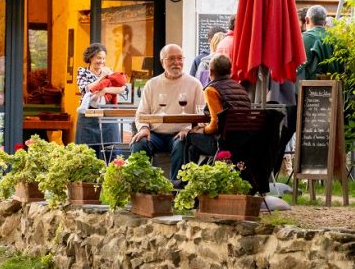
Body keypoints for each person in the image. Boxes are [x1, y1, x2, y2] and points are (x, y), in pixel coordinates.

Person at [130, 44, 204, 180]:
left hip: (180, 133)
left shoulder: (194, 84)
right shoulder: (152, 84)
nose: (176, 62)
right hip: (155, 134)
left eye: (180, 58)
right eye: (171, 59)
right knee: (139, 143)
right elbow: (142, 113)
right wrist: (144, 128)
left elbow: (201, 116)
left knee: (182, 144)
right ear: (162, 62)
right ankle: (140, 187)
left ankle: (177, 189)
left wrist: (188, 130)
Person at [185, 54, 251, 163]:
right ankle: (197, 176)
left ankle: (185, 178)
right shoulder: (240, 88)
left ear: (210, 72)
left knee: (190, 136)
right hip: (244, 142)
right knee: (193, 149)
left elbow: (216, 124)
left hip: (223, 143)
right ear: (230, 71)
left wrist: (203, 130)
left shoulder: (212, 90)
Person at [75, 43, 126, 153]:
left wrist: (105, 90)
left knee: (112, 152)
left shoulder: (110, 71)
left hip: (108, 115)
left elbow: (122, 88)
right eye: (99, 58)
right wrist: (102, 77)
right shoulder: (82, 72)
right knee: (86, 153)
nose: (102, 61)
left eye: (103, 58)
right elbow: (87, 89)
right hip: (88, 117)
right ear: (91, 57)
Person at [298, 5, 336, 81]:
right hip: (338, 89)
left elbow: (296, 68)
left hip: (312, 89)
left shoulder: (306, 38)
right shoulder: (336, 39)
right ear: (325, 23)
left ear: (307, 20)